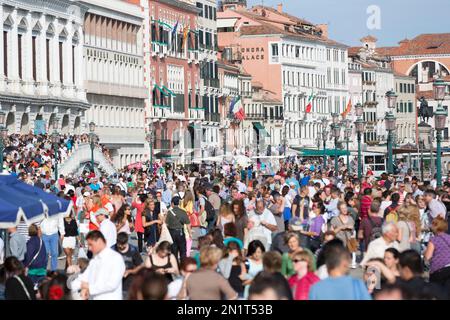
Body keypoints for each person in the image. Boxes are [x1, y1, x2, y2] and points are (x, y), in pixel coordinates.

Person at [75, 231, 125, 300]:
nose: (89, 248)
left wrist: (89, 287)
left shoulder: (116, 258)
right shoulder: (94, 260)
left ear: (99, 241)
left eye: (90, 244)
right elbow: (84, 277)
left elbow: (112, 284)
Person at [424, 217, 450, 292]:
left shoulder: (433, 240)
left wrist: (424, 253)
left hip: (439, 270)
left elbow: (427, 256)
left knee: (436, 293)